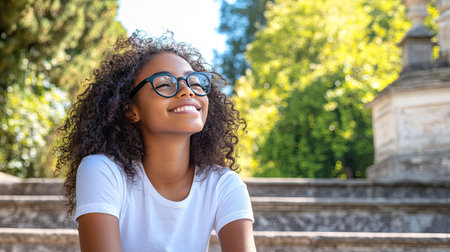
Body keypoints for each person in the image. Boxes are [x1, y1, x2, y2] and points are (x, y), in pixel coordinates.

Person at [54, 32, 256, 252]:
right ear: (131, 110)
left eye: (195, 82)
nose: (187, 90)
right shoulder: (102, 171)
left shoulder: (223, 185)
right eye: (165, 84)